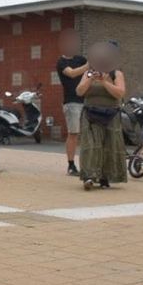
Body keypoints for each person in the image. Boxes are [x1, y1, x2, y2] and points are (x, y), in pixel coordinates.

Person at [74, 41, 126, 190]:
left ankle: (105, 178)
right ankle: (89, 176)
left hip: (111, 114)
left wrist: (104, 81)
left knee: (109, 146)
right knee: (91, 146)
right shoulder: (88, 72)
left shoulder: (116, 73)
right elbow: (79, 91)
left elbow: (120, 93)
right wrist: (90, 78)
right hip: (91, 113)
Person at [55, 28, 88, 176]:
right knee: (73, 133)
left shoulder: (81, 59)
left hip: (87, 101)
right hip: (71, 102)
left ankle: (89, 163)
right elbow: (72, 73)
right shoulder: (61, 62)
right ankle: (71, 165)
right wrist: (89, 65)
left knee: (90, 133)